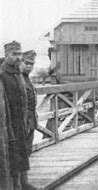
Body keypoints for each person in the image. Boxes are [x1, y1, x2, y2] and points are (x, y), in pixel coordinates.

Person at [0, 41, 37, 189]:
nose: (18, 57)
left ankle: (22, 184)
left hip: (21, 123)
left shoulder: (19, 75)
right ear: (6, 55)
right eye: (14, 54)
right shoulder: (3, 75)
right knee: (10, 161)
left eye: (19, 54)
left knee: (21, 156)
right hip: (8, 126)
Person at [19, 50, 38, 189]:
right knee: (20, 151)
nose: (30, 66)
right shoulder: (18, 78)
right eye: (27, 63)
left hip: (30, 120)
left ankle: (24, 181)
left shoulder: (27, 79)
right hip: (21, 120)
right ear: (21, 62)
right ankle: (20, 182)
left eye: (32, 64)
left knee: (27, 150)